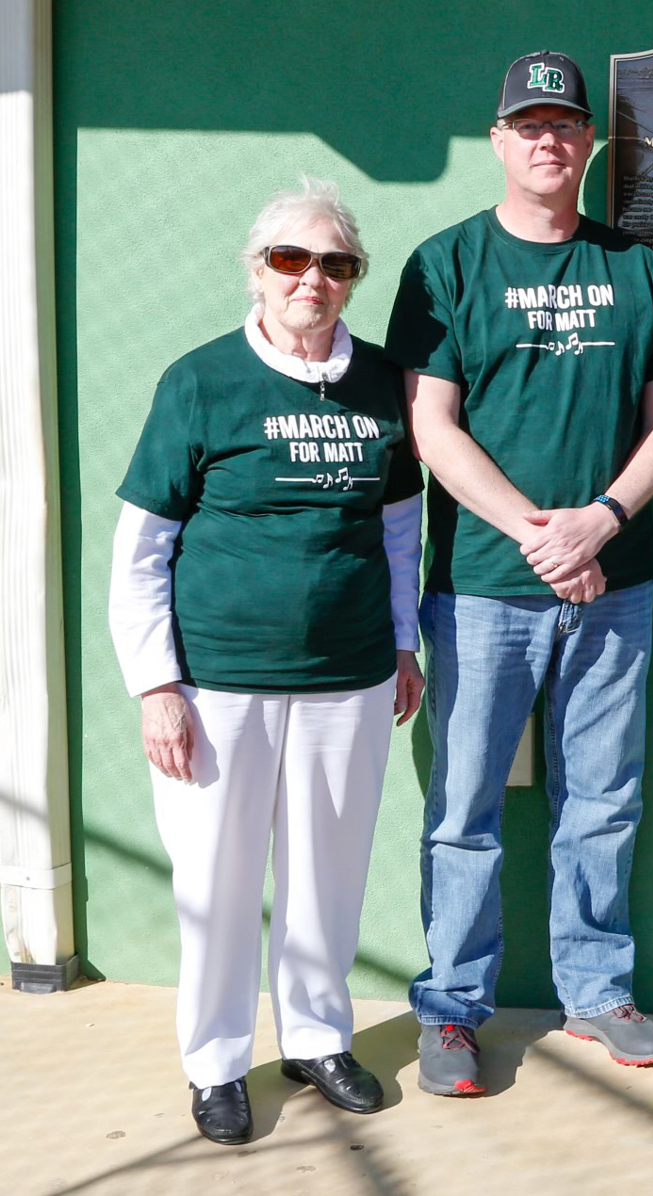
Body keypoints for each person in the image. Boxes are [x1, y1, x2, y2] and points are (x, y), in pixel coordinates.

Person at [385, 50, 653, 1096]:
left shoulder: (637, 268)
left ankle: (596, 990)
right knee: (464, 802)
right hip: (481, 583)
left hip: (617, 582)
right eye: (527, 123)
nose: (547, 139)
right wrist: (540, 533)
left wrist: (601, 521)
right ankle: (453, 1008)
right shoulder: (444, 264)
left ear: (588, 143)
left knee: (602, 798)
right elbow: (430, 422)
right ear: (498, 140)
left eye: (564, 124)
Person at [108, 177, 424, 1144]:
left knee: (329, 872)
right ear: (257, 271)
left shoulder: (380, 383)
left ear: (353, 279)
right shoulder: (200, 382)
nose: (311, 279)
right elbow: (142, 548)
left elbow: (401, 529)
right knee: (217, 881)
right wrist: (156, 685)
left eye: (334, 263)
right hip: (217, 684)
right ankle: (213, 1064)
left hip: (350, 677)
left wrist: (405, 643)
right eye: (291, 259)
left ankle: (320, 1039)